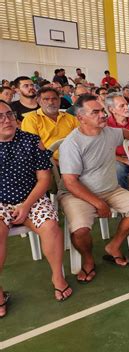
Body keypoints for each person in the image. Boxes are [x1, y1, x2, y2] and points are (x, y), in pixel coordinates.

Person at [58, 95, 129, 282]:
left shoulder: (108, 132)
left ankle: (113, 246)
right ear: (81, 118)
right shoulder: (72, 143)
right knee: (80, 230)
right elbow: (70, 182)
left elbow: (124, 133)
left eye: (102, 111)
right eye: (96, 112)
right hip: (77, 194)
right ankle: (88, 260)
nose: (103, 115)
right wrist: (98, 203)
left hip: (110, 189)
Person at [0, 100, 73, 317]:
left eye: (10, 114)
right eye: (0, 117)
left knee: (50, 227)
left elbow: (44, 178)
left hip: (31, 197)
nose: (7, 120)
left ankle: (57, 276)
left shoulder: (31, 140)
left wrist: (26, 205)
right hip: (0, 201)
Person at [21, 87, 79, 160]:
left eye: (54, 99)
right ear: (38, 101)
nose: (51, 102)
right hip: (47, 162)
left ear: (59, 100)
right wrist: (52, 163)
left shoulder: (71, 118)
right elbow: (32, 148)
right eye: (46, 99)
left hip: (74, 158)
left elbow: (81, 140)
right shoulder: (31, 119)